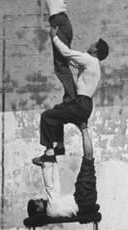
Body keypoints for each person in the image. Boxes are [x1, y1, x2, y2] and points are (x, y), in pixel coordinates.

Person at [32, 26, 109, 165]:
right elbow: (73, 62)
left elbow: (66, 53)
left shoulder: (88, 59)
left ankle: (50, 153)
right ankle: (60, 146)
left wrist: (54, 37)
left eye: (93, 44)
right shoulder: (95, 65)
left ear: (95, 50)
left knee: (47, 116)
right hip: (85, 106)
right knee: (58, 110)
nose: (90, 45)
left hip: (80, 104)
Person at [41, 0, 77, 133]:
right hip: (63, 22)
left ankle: (71, 98)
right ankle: (69, 96)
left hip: (59, 23)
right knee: (62, 63)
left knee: (60, 65)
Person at [28, 126, 99, 219]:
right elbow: (49, 186)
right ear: (38, 209)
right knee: (88, 159)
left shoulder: (53, 207)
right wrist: (44, 166)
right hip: (83, 198)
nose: (40, 199)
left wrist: (52, 162)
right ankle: (83, 127)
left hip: (83, 199)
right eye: (37, 201)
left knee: (88, 160)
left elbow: (56, 182)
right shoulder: (51, 209)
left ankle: (82, 129)